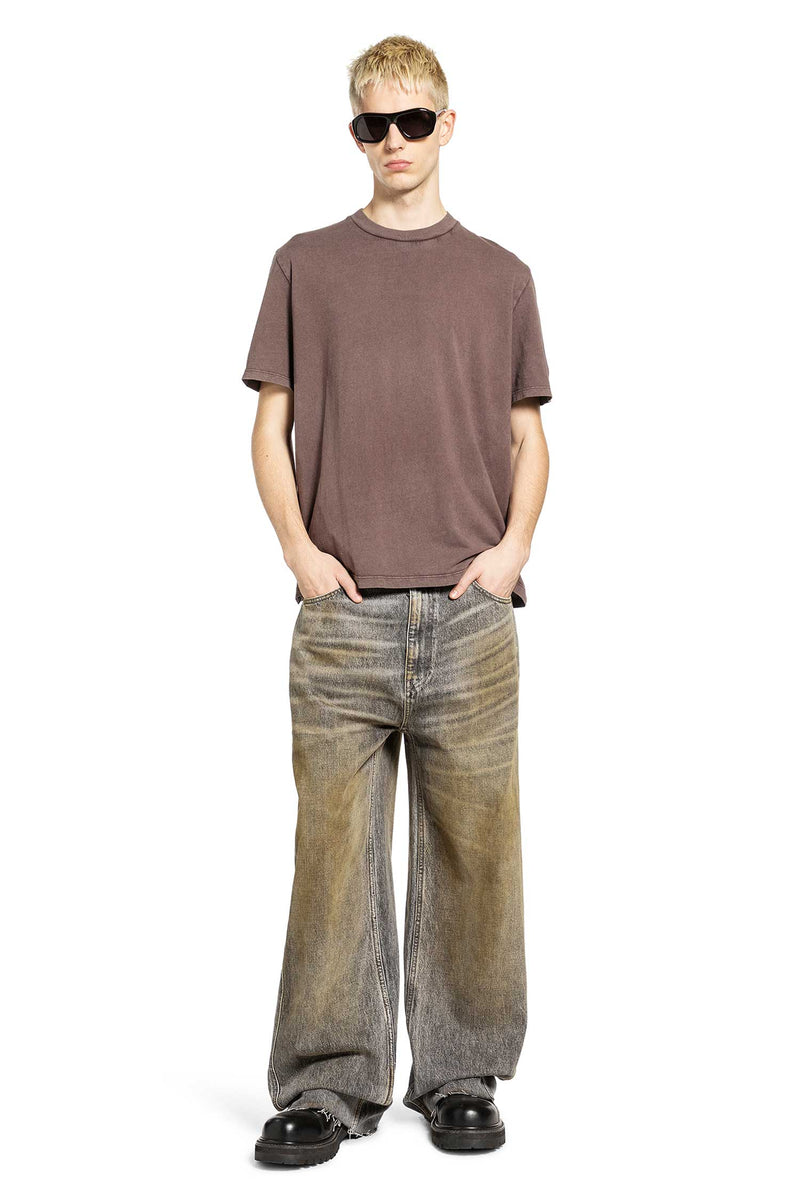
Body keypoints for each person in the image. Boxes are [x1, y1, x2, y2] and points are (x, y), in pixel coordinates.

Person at [241, 34, 552, 1167]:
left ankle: (461, 1074)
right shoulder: (304, 264)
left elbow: (527, 438)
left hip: (469, 619)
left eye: (412, 121)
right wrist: (299, 552)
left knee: (476, 853)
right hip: (343, 618)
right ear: (354, 133)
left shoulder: (500, 276)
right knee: (333, 859)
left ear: (446, 126)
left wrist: (511, 552)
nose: (394, 142)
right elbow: (269, 426)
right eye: (373, 124)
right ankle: (328, 1084)